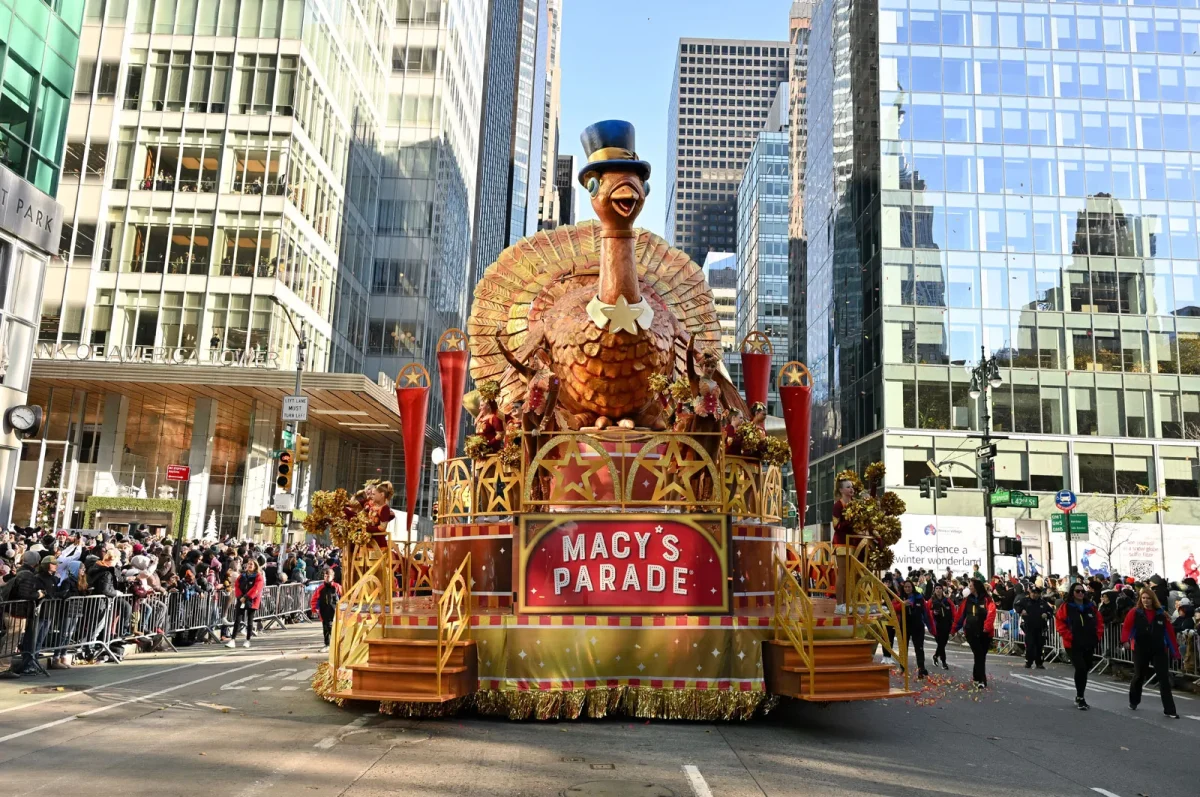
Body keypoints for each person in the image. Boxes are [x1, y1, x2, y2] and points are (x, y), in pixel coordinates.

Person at [1121, 587, 1179, 718]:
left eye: (1148, 598)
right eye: (1143, 598)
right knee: (1139, 675)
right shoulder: (1135, 612)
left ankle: (1170, 710)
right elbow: (1127, 627)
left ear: (1153, 600)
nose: (1146, 601)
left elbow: (1169, 634)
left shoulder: (1161, 614)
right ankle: (1134, 701)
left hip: (1158, 649)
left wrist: (1175, 652)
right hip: (1141, 648)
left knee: (1163, 678)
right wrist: (1125, 640)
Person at [1055, 582, 1104, 710]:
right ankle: (1081, 697)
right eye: (1077, 591)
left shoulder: (1090, 607)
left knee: (1085, 668)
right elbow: (1060, 623)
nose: (1080, 594)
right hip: (1073, 643)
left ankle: (1079, 694)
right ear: (1072, 593)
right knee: (1081, 668)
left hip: (1088, 642)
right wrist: (1070, 636)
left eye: (1082, 591)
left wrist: (1097, 636)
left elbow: (1099, 622)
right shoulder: (1066, 607)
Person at [952, 578, 996, 687]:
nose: (969, 587)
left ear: (976, 587)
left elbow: (991, 613)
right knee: (979, 654)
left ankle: (977, 677)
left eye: (971, 585)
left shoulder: (987, 599)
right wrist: (954, 629)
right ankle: (981, 680)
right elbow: (960, 616)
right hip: (971, 632)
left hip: (985, 633)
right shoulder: (967, 600)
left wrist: (986, 627)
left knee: (980, 656)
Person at [227, 558, 265, 648]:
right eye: (248, 564)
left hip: (252, 600)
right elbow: (237, 585)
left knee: (250, 620)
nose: (249, 565)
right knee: (237, 619)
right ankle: (232, 639)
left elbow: (257, 588)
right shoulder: (242, 575)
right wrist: (240, 596)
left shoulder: (258, 576)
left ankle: (247, 640)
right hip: (241, 600)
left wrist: (246, 597)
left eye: (251, 564)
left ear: (255, 566)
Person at [899, 580, 932, 679]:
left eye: (909, 587)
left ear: (912, 587)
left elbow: (925, 612)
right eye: (905, 587)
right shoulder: (900, 597)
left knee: (919, 648)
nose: (907, 589)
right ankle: (902, 667)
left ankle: (921, 669)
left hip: (917, 626)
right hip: (905, 626)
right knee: (903, 647)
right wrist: (902, 604)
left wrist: (930, 627)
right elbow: (893, 607)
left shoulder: (919, 597)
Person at [1019, 584, 1054, 669]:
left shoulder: (1043, 602)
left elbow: (1051, 611)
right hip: (1029, 627)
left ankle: (1039, 663)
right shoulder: (1025, 601)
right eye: (1033, 593)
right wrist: (1021, 610)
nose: (1034, 594)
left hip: (1040, 627)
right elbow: (1016, 606)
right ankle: (1029, 662)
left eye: (1036, 593)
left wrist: (1047, 614)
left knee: (1039, 646)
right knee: (1030, 645)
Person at [310, 567, 342, 651]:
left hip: (335, 611)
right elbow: (314, 599)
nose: (326, 578)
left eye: (328, 576)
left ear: (332, 577)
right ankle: (327, 644)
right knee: (326, 628)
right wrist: (314, 609)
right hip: (324, 611)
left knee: (333, 628)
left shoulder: (337, 587)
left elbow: (343, 597)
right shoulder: (320, 588)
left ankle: (335, 644)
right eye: (325, 576)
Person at [928, 583, 954, 670]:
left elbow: (954, 611)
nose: (938, 590)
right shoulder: (931, 601)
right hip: (936, 625)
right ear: (934, 590)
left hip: (946, 625)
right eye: (936, 588)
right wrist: (933, 613)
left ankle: (935, 656)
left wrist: (954, 624)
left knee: (943, 643)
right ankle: (944, 662)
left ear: (942, 590)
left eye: (940, 588)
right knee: (941, 644)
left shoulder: (947, 600)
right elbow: (927, 612)